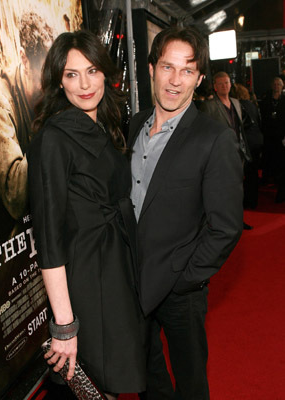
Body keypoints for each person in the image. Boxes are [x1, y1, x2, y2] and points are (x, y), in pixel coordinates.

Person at [27, 30, 146, 400]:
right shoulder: (53, 139)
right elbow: (49, 239)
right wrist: (64, 325)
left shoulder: (103, 124)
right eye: (71, 74)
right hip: (86, 280)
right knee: (92, 386)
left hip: (116, 272)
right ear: (57, 82)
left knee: (111, 382)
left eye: (92, 71)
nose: (84, 84)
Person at [128, 27, 243, 400]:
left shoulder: (214, 138)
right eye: (167, 67)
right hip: (131, 283)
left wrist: (185, 279)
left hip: (181, 290)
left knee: (191, 384)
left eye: (187, 70)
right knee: (147, 379)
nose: (175, 81)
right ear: (151, 69)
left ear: (199, 78)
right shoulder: (133, 126)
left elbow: (225, 227)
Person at [0, 12, 53, 246]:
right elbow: (16, 197)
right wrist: (50, 125)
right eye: (43, 75)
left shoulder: (42, 97)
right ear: (24, 60)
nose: (49, 87)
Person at [201, 71, 253, 229]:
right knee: (222, 189)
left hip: (238, 153)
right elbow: (204, 131)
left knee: (238, 188)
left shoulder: (236, 102)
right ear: (215, 87)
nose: (225, 86)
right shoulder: (209, 106)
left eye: (227, 82)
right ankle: (222, 222)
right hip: (220, 155)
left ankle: (238, 219)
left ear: (231, 84)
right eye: (221, 83)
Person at [233, 83, 263, 208]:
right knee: (253, 173)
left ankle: (248, 200)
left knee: (245, 173)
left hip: (247, 142)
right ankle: (253, 200)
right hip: (257, 140)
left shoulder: (239, 106)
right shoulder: (252, 105)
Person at [259, 76, 285, 193]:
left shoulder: (284, 99)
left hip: (281, 133)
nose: (276, 86)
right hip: (268, 133)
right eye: (274, 84)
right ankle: (267, 177)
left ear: (282, 86)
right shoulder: (266, 99)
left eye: (278, 84)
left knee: (280, 157)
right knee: (268, 155)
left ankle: (278, 178)